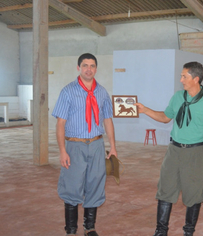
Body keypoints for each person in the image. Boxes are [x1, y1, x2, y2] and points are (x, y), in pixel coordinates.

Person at [135, 61, 203, 236]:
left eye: (184, 76)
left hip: (196, 152)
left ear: (196, 79)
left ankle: (188, 232)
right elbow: (166, 117)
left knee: (194, 193)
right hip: (174, 151)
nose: (181, 79)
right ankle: (160, 231)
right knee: (165, 190)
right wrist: (145, 110)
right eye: (181, 76)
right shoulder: (177, 97)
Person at [52, 53, 118, 236]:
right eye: (85, 65)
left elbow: (107, 120)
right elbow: (60, 123)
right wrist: (62, 151)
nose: (89, 69)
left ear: (96, 68)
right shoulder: (68, 91)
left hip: (96, 145)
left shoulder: (102, 92)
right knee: (72, 185)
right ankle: (71, 229)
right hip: (75, 146)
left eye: (92, 66)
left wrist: (112, 146)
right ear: (78, 68)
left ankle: (90, 227)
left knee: (95, 184)